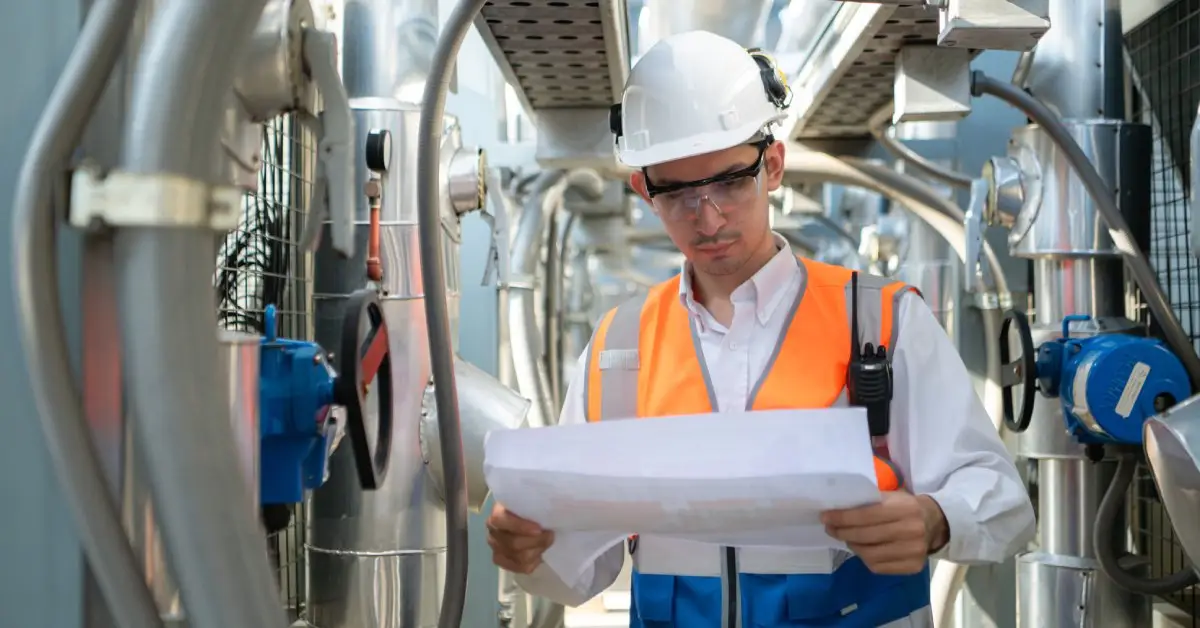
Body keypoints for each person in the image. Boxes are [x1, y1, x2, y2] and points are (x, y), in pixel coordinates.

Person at [487, 29, 1035, 627]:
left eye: (728, 181)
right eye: (677, 193)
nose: (709, 216)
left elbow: (1003, 498)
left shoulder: (881, 321)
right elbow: (584, 570)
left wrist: (937, 519)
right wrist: (531, 553)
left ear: (771, 166)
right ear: (644, 191)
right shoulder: (619, 349)